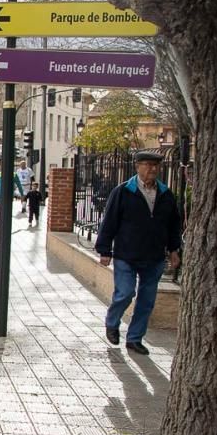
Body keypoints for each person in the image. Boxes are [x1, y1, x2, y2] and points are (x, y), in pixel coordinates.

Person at [94, 151, 181, 355]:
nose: (152, 169)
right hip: (126, 254)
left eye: (155, 166)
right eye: (147, 165)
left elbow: (173, 224)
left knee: (147, 300)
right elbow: (109, 222)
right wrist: (104, 250)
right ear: (137, 167)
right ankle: (112, 322)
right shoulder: (123, 191)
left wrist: (174, 249)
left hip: (154, 256)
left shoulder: (165, 194)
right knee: (125, 293)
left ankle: (134, 338)